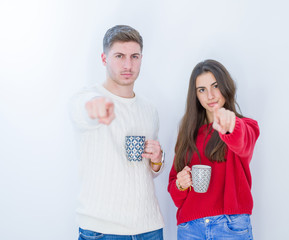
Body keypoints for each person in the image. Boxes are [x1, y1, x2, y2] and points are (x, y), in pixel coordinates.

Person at [70, 25, 165, 240]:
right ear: (104, 59)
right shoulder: (89, 97)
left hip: (149, 228)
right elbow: (81, 110)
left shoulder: (150, 109)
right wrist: (94, 107)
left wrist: (158, 158)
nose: (128, 65)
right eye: (119, 56)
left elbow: (152, 170)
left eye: (134, 56)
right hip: (102, 231)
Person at [168, 59, 260, 239]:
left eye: (215, 86)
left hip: (230, 226)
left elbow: (242, 142)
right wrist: (181, 184)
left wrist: (229, 124)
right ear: (196, 95)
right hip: (190, 228)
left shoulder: (244, 126)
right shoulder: (187, 135)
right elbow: (175, 191)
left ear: (225, 86)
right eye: (202, 90)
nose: (210, 95)